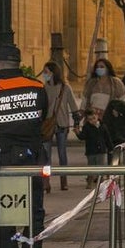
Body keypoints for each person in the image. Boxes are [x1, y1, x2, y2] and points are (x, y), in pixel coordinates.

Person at [0, 43, 52, 248]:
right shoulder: (37, 86)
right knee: (34, 221)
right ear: (19, 63)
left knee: (5, 222)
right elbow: (42, 116)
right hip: (32, 161)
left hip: (4, 162)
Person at [41, 60, 77, 191]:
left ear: (53, 73)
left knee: (62, 154)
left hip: (62, 124)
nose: (44, 74)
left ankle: (64, 180)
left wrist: (76, 121)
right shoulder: (44, 88)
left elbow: (73, 105)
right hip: (47, 124)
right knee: (46, 156)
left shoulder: (65, 87)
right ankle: (46, 181)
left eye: (46, 72)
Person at [74, 105, 113, 185]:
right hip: (91, 151)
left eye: (94, 118)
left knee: (101, 166)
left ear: (97, 116)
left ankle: (100, 180)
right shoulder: (87, 127)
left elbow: (107, 138)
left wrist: (110, 148)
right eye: (90, 120)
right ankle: (90, 180)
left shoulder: (103, 126)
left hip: (101, 150)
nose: (92, 121)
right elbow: (83, 136)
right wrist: (78, 133)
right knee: (91, 166)